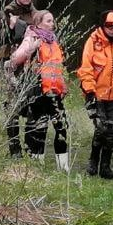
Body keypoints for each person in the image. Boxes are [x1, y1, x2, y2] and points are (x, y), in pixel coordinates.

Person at [7, 10, 71, 172]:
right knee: (39, 129)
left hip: (55, 92)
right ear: (38, 23)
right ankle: (36, 165)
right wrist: (31, 49)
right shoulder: (32, 38)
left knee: (62, 127)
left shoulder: (54, 41)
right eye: (48, 21)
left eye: (53, 21)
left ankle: (63, 167)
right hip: (38, 91)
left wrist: (63, 85)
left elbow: (57, 67)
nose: (52, 24)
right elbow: (14, 59)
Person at [0, 0, 37, 157]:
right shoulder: (5, 13)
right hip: (9, 67)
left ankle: (32, 149)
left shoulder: (36, 14)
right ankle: (15, 150)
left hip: (32, 67)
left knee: (33, 107)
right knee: (12, 109)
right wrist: (10, 28)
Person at [78, 11, 113, 179]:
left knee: (112, 131)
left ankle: (105, 167)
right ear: (102, 25)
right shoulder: (93, 41)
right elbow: (85, 68)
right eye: (109, 26)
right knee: (101, 129)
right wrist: (89, 92)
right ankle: (93, 162)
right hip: (97, 94)